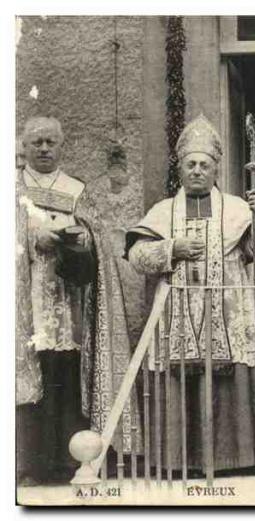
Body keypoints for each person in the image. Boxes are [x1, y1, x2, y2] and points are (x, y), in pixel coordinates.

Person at [125, 114, 255, 476]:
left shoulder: (239, 210)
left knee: (231, 382)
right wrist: (172, 247)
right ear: (180, 168)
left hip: (229, 312)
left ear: (215, 169)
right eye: (190, 164)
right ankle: (180, 461)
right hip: (177, 313)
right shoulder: (163, 212)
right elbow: (137, 258)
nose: (196, 170)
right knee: (180, 380)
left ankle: (236, 460)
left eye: (204, 165)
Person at [16, 117, 137, 483]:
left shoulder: (76, 190)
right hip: (27, 301)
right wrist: (30, 238)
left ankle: (72, 462)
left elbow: (96, 238)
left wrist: (81, 241)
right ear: (23, 146)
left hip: (71, 304)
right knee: (33, 377)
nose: (44, 149)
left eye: (51, 142)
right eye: (36, 142)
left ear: (61, 146)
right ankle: (29, 466)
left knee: (67, 376)